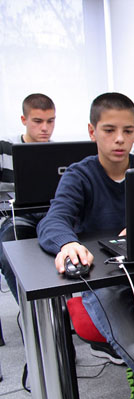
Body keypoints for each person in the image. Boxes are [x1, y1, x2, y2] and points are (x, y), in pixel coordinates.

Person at [36, 92, 134, 399]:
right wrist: (68, 243)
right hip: (104, 282)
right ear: (92, 132)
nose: (119, 139)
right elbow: (54, 219)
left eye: (128, 130)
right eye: (109, 130)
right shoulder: (80, 175)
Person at [0, 93, 56, 302]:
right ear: (24, 120)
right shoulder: (5, 148)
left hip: (50, 217)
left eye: (50, 121)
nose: (45, 128)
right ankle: (31, 312)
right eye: (38, 121)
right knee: (9, 255)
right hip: (16, 217)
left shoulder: (58, 151)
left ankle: (61, 310)